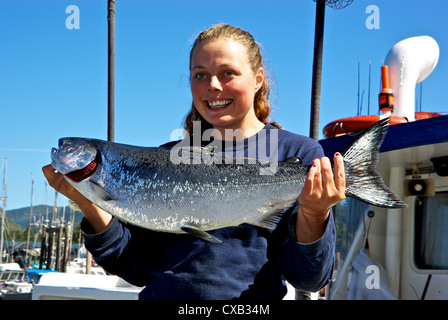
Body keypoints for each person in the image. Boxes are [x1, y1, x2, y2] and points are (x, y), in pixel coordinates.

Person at [42, 23, 345, 300]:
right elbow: (134, 267)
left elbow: (309, 279)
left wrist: (314, 214)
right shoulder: (165, 156)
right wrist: (87, 200)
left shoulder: (300, 155)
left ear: (257, 80)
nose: (213, 85)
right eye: (200, 75)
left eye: (228, 72)